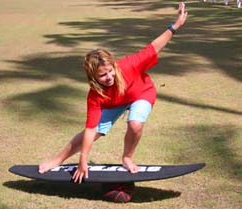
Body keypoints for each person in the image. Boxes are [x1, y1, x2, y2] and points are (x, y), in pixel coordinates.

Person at [39, 2, 188, 184]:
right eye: (102, 75)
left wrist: (176, 25)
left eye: (110, 71)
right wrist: (83, 160)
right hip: (113, 102)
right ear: (93, 76)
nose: (109, 77)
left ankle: (127, 157)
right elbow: (90, 127)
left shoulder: (128, 65)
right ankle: (57, 159)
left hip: (141, 93)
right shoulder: (95, 94)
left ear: (113, 65)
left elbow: (154, 47)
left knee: (135, 124)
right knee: (93, 134)